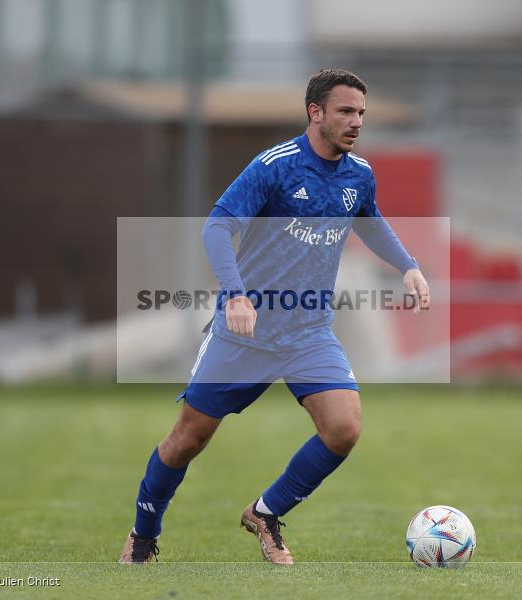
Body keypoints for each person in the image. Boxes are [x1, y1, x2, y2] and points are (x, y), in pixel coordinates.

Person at [120, 68, 430, 565]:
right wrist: (236, 296)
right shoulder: (275, 166)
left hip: (308, 332)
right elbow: (217, 228)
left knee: (344, 428)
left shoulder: (359, 174)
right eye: (346, 111)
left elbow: (370, 222)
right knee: (187, 440)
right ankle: (143, 533)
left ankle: (265, 514)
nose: (356, 122)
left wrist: (408, 266)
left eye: (361, 113)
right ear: (316, 112)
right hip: (244, 334)